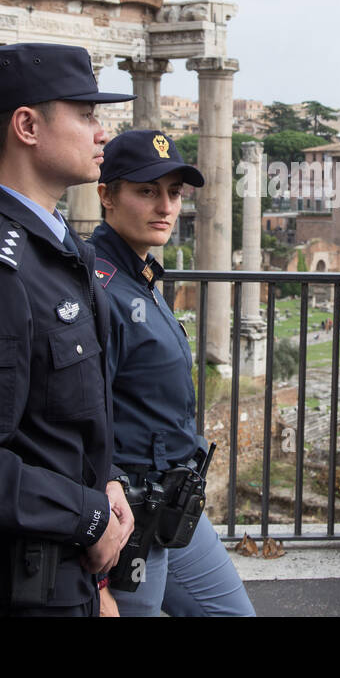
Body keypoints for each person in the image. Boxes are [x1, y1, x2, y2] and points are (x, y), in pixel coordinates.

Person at [0, 43, 134, 616]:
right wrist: (89, 516)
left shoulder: (59, 248)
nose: (102, 134)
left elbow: (63, 420)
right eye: (87, 114)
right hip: (22, 589)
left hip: (66, 571)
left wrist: (107, 483)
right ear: (27, 126)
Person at [91, 129, 255, 617]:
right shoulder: (99, 289)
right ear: (107, 196)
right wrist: (99, 580)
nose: (165, 206)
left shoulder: (140, 278)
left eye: (174, 193)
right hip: (130, 512)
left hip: (175, 501)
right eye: (146, 191)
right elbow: (81, 419)